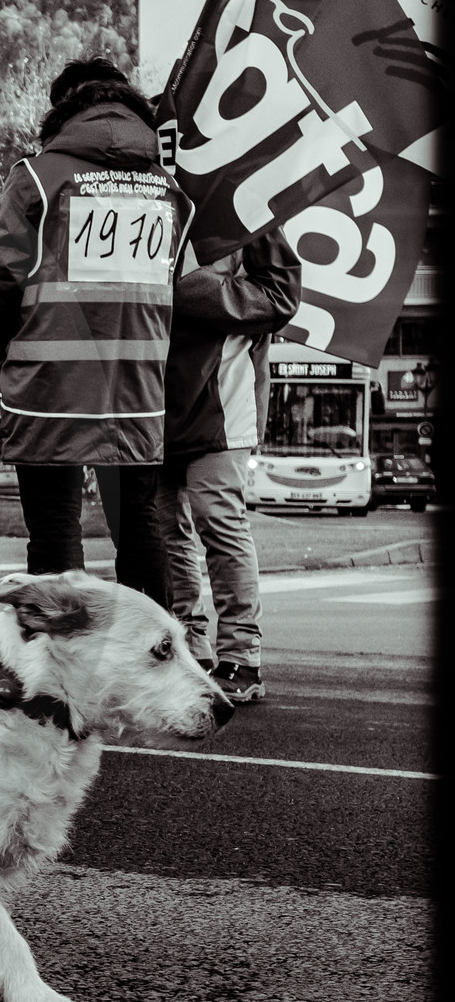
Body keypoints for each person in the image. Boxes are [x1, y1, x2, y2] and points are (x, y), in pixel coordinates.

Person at [0, 58, 191, 606]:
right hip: (137, 384)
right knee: (142, 526)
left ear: (66, 109)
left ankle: (57, 671)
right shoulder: (170, 190)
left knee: (53, 532)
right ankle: (151, 663)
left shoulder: (39, 178)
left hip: (51, 381)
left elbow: (1, 278)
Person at [157, 228, 302, 705]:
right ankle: (190, 648)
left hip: (223, 402)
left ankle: (241, 658)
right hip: (153, 397)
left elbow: (281, 295)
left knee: (218, 523)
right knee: (165, 529)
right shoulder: (150, 193)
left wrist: (184, 289)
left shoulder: (242, 205)